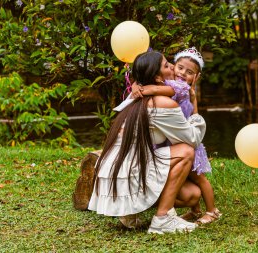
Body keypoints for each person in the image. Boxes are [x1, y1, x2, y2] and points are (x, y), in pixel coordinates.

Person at [87, 51, 206, 234]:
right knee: (186, 151)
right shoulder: (163, 103)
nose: (173, 68)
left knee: (191, 195)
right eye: (167, 66)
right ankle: (162, 219)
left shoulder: (136, 96)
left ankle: (131, 210)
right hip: (127, 175)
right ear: (158, 77)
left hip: (115, 176)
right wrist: (195, 111)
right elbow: (193, 138)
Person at [131, 47, 221, 224]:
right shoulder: (170, 80)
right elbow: (148, 71)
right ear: (173, 66)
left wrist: (148, 89)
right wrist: (136, 84)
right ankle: (195, 211)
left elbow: (170, 91)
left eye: (189, 72)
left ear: (196, 77)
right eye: (179, 68)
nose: (182, 73)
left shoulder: (181, 88)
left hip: (187, 140)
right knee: (184, 176)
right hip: (174, 142)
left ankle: (212, 211)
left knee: (199, 178)